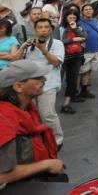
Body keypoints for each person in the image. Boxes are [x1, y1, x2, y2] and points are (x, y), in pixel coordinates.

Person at [0, 60, 65, 187]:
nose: (44, 80)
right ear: (18, 87)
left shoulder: (28, 109)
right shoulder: (4, 122)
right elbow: (2, 176)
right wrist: (47, 164)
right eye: (37, 78)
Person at [17, 18, 64, 148]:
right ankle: (40, 137)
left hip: (48, 85)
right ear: (35, 30)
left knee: (47, 114)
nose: (43, 30)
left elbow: (56, 62)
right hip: (30, 86)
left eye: (46, 27)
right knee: (33, 114)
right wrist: (23, 47)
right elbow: (16, 60)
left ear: (50, 29)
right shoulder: (31, 44)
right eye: (40, 27)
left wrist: (43, 49)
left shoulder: (57, 44)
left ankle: (57, 139)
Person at [59, 12, 87, 114]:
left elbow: (84, 37)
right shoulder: (61, 28)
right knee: (58, 80)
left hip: (77, 57)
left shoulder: (79, 27)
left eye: (74, 18)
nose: (72, 20)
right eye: (70, 17)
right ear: (65, 18)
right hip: (63, 57)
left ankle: (66, 104)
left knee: (72, 80)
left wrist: (75, 29)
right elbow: (58, 41)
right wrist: (73, 39)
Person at [78, 4, 98, 99]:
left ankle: (84, 90)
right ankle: (77, 92)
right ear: (82, 12)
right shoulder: (79, 23)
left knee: (89, 71)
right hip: (86, 51)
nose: (88, 11)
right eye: (86, 9)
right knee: (82, 71)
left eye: (90, 9)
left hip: (96, 49)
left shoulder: (95, 20)